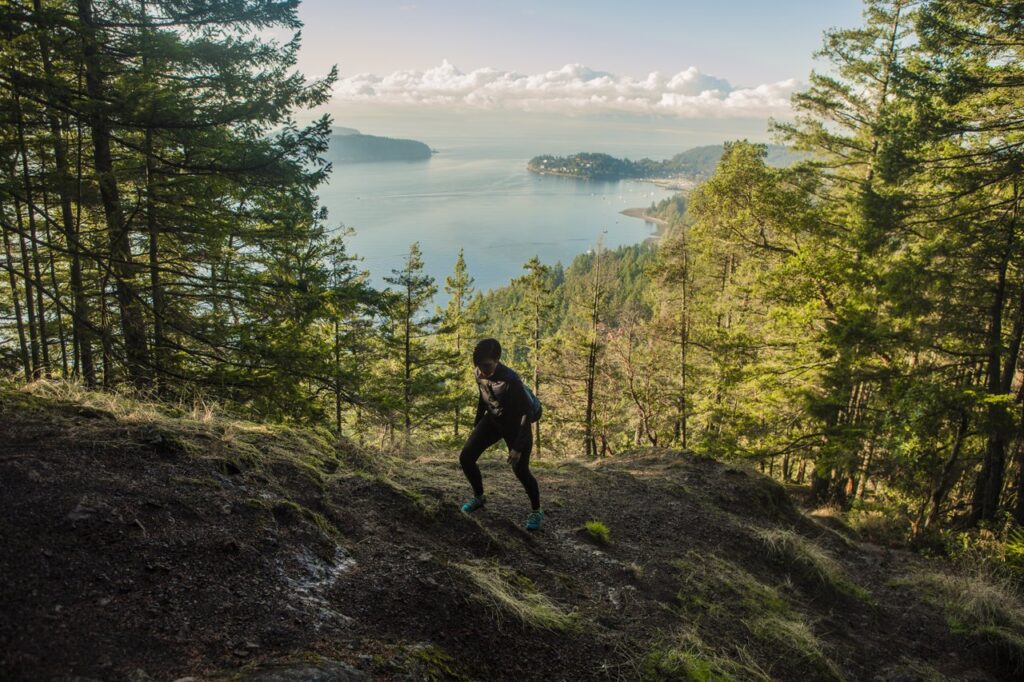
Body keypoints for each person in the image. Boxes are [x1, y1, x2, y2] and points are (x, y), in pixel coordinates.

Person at [459, 338, 544, 530]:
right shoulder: (479, 371)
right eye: (479, 365)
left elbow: (527, 413)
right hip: (493, 420)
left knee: (520, 470)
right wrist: (477, 424)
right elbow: (484, 397)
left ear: (497, 360)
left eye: (487, 365)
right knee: (466, 457)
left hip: (517, 426)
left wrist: (516, 448)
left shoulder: (511, 379)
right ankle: (479, 496)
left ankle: (537, 511)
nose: (482, 369)